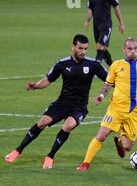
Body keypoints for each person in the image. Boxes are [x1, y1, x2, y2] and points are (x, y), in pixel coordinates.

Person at [5, 34, 108, 169]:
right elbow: (48, 80)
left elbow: (110, 79)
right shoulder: (62, 64)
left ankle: (50, 156)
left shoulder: (93, 64)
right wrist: (35, 86)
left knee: (68, 126)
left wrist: (102, 95)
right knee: (42, 122)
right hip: (62, 103)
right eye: (80, 48)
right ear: (73, 47)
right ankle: (18, 150)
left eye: (85, 49)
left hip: (79, 107)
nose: (83, 52)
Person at [77, 37, 137, 171]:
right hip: (115, 109)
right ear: (124, 50)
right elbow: (108, 85)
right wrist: (101, 96)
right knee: (102, 134)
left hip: (134, 112)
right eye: (129, 49)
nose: (133, 51)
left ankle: (119, 141)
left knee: (127, 147)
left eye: (135, 48)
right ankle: (85, 163)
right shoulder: (116, 65)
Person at [84, 0, 125, 66]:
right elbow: (91, 9)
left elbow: (116, 9)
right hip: (96, 26)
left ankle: (96, 68)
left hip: (106, 26)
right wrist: (87, 21)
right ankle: (113, 66)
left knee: (99, 46)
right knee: (103, 48)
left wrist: (121, 23)